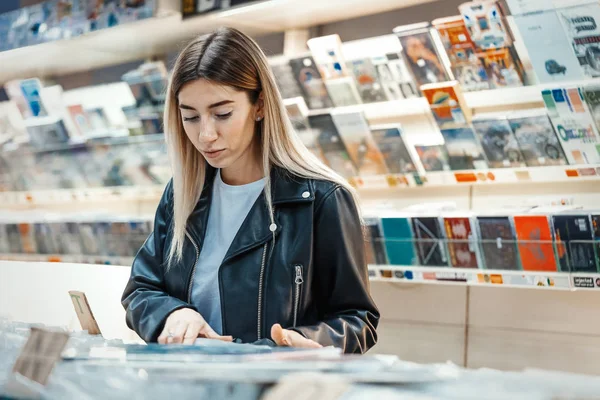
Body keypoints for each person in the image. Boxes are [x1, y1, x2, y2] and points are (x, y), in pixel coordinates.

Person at [121, 27, 379, 354]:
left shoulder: (321, 199)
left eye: (222, 114)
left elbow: (357, 319)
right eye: (190, 117)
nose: (205, 135)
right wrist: (172, 313)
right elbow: (142, 289)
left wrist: (311, 343)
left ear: (259, 105)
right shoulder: (182, 193)